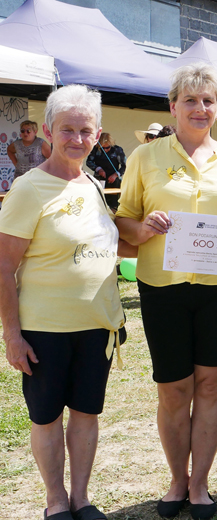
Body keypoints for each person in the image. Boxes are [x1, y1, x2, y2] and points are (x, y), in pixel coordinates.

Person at [115, 63, 217, 520]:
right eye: (191, 100)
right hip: (162, 287)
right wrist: (141, 228)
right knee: (173, 389)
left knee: (211, 383)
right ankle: (177, 481)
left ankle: (200, 485)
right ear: (173, 106)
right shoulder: (146, 158)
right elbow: (124, 220)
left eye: (208, 100)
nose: (200, 108)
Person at [0, 85, 135, 520]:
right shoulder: (28, 188)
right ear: (48, 131)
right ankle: (55, 501)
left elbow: (109, 248)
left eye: (85, 130)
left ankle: (81, 498)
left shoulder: (94, 184)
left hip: (96, 327)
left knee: (86, 415)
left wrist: (151, 232)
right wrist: (13, 336)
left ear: (97, 135)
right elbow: (3, 267)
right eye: (67, 130)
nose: (77, 139)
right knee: (45, 419)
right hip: (44, 330)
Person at [86, 133, 126, 210]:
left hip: (114, 180)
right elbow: (89, 162)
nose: (105, 150)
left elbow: (125, 165)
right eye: (102, 148)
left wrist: (115, 175)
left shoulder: (117, 150)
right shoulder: (95, 149)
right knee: (99, 202)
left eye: (107, 148)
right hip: (99, 179)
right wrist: (98, 169)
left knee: (113, 203)